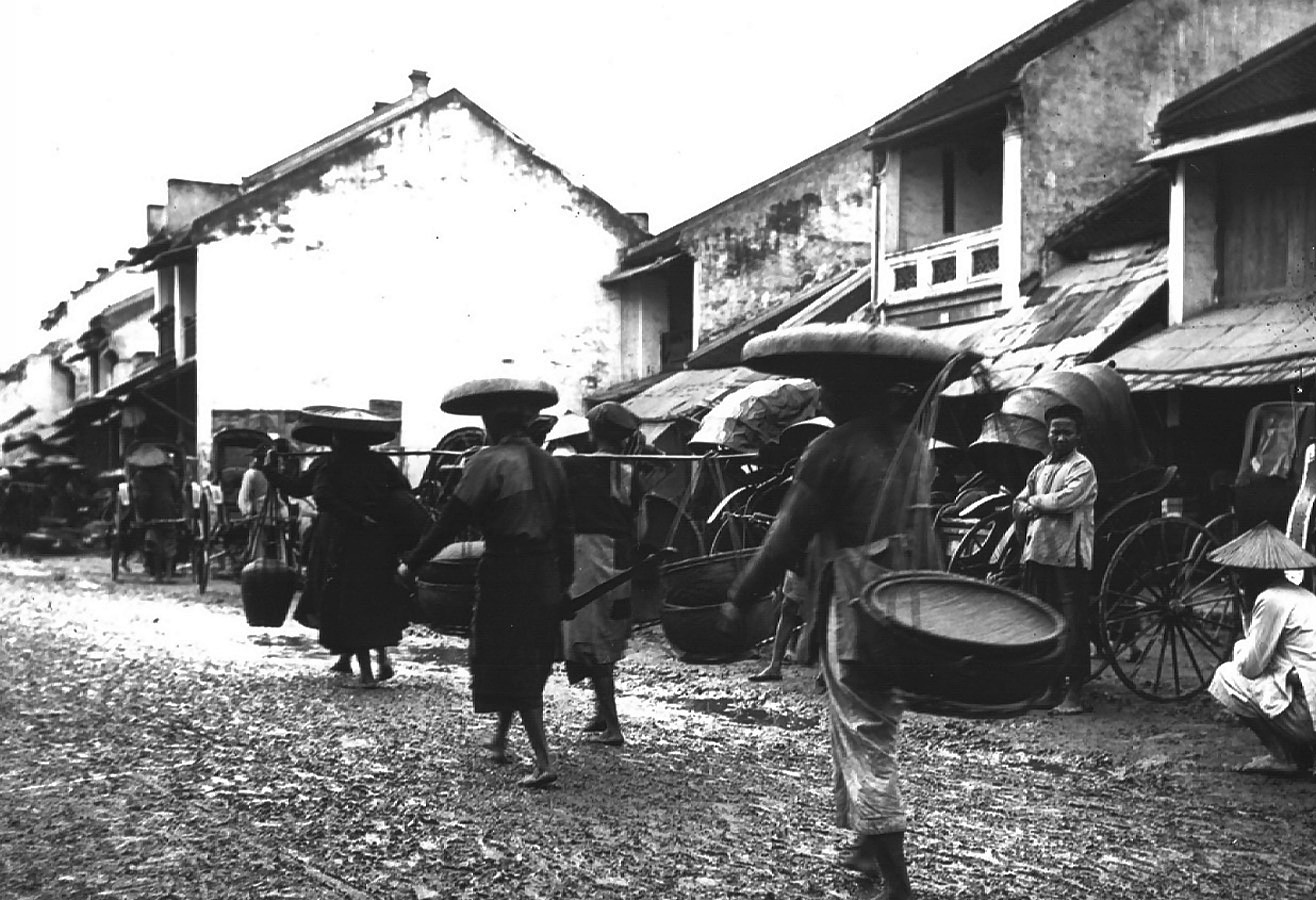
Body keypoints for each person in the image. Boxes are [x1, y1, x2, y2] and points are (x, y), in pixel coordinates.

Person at [718, 377, 942, 897]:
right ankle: (868, 847)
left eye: (828, 388)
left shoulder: (833, 448)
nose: (823, 397)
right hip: (907, 591)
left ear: (846, 393)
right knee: (871, 723)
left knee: (864, 733)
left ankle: (897, 881)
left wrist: (740, 593)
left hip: (861, 596)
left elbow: (787, 533)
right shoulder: (913, 446)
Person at [398, 376, 573, 789]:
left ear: (491, 424)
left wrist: (412, 563)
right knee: (527, 654)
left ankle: (544, 760)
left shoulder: (487, 461)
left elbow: (449, 523)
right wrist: (565, 582)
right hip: (546, 570)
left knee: (509, 657)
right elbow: (567, 530)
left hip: (508, 571)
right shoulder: (551, 464)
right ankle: (499, 739)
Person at [259, 409, 412, 688]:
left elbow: (307, 492)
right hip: (379, 542)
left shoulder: (328, 464)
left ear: (337, 438)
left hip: (342, 542)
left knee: (348, 602)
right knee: (375, 598)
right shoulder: (382, 463)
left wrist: (269, 470)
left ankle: (366, 673)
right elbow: (403, 491)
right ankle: (380, 659)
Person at [558, 401, 655, 746]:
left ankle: (613, 726)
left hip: (587, 556)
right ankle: (601, 713)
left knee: (590, 637)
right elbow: (642, 528)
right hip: (620, 557)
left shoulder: (572, 467)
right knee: (604, 634)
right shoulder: (629, 473)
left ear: (592, 432)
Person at [1207, 522, 1316, 775]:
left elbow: (1250, 666)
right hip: (1309, 698)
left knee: (1226, 676)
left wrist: (1245, 613)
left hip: (1307, 713)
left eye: (1239, 575)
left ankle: (1285, 755)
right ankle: (1300, 754)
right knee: (1273, 673)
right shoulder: (1303, 595)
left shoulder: (1271, 600)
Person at [1013, 403, 1097, 715]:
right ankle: (1049, 686)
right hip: (1039, 552)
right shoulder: (1041, 468)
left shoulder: (1082, 468)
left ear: (1078, 436)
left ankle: (1074, 693)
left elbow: (1064, 501)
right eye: (1054, 431)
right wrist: (1031, 505)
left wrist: (1033, 503)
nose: (1059, 437)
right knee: (1042, 620)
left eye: (1067, 432)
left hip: (1068, 556)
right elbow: (1018, 502)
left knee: (1072, 624)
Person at [127, 445, 182, 583]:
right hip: (169, 511)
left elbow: (141, 497)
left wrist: (140, 514)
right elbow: (177, 493)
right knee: (170, 541)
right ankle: (169, 574)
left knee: (155, 542)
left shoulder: (140, 476)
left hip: (150, 512)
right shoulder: (171, 475)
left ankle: (157, 574)